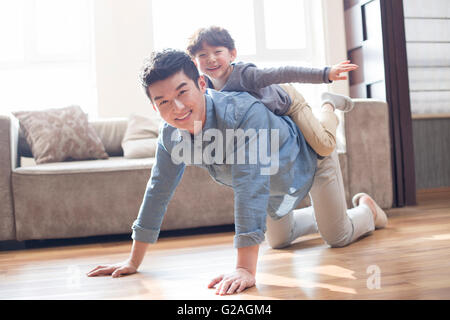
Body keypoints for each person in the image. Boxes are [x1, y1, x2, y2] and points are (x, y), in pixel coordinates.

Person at [87, 49, 387, 296]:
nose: (176, 108)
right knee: (280, 241)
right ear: (154, 107)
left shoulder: (243, 114)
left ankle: (365, 211)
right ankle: (325, 218)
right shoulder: (171, 136)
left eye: (182, 92)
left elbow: (249, 185)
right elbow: (158, 190)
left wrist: (245, 269)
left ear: (202, 84)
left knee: (338, 236)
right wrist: (134, 260)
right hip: (275, 187)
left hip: (310, 161)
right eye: (163, 102)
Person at [187, 26, 359, 157]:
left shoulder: (246, 75)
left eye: (218, 52)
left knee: (325, 147)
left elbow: (283, 72)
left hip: (289, 103)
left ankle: (328, 104)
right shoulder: (205, 88)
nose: (211, 59)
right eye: (202, 55)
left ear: (232, 54)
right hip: (268, 120)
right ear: (195, 62)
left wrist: (325, 73)